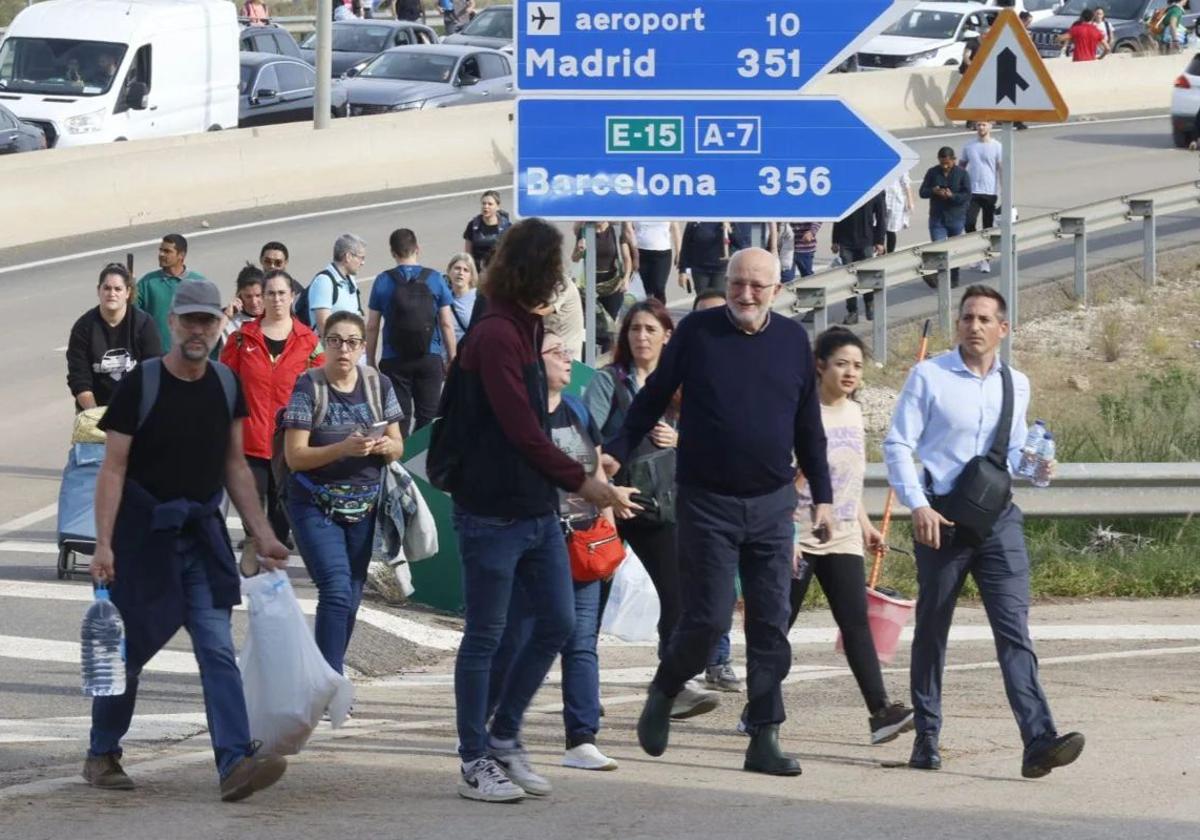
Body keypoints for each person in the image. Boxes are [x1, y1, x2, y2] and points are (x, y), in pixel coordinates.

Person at [607, 247, 834, 777]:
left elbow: (808, 427)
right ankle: (664, 690)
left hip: (773, 504)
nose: (746, 295)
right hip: (707, 502)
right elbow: (653, 395)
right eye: (738, 284)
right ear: (727, 283)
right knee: (707, 619)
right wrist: (618, 447)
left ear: (777, 290)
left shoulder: (793, 342)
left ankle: (765, 737)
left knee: (771, 624)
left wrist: (822, 494)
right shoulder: (697, 332)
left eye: (758, 286)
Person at [437, 218, 637, 803]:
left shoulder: (522, 328)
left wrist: (576, 482)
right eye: (559, 263)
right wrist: (588, 484)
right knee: (486, 637)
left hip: (533, 510)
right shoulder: (497, 333)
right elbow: (521, 430)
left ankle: (504, 737)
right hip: (492, 514)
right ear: (537, 269)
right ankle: (475, 758)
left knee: (557, 623)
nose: (565, 273)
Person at [85, 279, 290, 801]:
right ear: (173, 323)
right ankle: (103, 749)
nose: (199, 330)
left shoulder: (225, 385)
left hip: (201, 536)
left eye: (208, 320)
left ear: (221, 324)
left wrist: (262, 533)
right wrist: (103, 544)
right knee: (128, 653)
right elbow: (113, 468)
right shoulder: (142, 384)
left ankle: (234, 763)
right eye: (190, 320)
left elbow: (235, 467)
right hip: (143, 538)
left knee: (217, 649)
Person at [883, 285, 1085, 777]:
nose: (973, 326)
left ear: (1002, 328)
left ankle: (1038, 739)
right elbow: (896, 443)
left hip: (998, 522)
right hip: (942, 522)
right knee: (933, 630)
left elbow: (1013, 456)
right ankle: (927, 736)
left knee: (1014, 631)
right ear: (958, 325)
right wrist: (918, 506)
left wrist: (1037, 467)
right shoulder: (929, 376)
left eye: (983, 319)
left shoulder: (1016, 383)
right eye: (966, 317)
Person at [584, 299, 729, 704]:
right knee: (591, 602)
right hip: (609, 504)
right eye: (634, 329)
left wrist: (680, 440)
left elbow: (711, 442)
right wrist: (605, 498)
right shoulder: (607, 381)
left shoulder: (685, 385)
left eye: (650, 329)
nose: (641, 337)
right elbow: (586, 442)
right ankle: (583, 689)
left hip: (661, 505)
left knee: (678, 596)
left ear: (668, 336)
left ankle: (673, 683)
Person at [490, 330, 620, 772]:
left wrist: (608, 523)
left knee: (582, 641)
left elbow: (598, 468)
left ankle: (581, 738)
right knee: (516, 640)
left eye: (568, 350)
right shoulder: (519, 415)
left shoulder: (578, 409)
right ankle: (486, 726)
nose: (568, 358)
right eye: (556, 351)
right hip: (534, 541)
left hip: (582, 541)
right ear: (532, 361)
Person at [785, 327, 914, 744]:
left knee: (856, 623)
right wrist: (784, 533)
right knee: (776, 627)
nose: (850, 372)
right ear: (819, 365)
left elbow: (846, 479)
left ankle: (880, 712)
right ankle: (759, 709)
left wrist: (865, 525)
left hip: (842, 536)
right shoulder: (801, 413)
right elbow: (785, 479)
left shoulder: (854, 413)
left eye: (857, 365)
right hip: (799, 535)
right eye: (841, 363)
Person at [281, 311, 404, 674]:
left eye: (352, 342)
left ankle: (325, 671)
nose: (343, 350)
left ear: (363, 347)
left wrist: (383, 446)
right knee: (335, 589)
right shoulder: (309, 386)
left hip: (364, 506)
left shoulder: (378, 385)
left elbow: (399, 447)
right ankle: (329, 680)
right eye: (335, 341)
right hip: (315, 502)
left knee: (350, 595)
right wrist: (342, 449)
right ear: (324, 343)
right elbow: (295, 457)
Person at [221, 270, 323, 546]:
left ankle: (271, 567)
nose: (276, 299)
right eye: (270, 293)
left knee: (281, 521)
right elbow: (225, 387)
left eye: (281, 293)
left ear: (292, 297)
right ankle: (255, 557)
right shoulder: (242, 339)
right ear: (261, 297)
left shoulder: (309, 342)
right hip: (249, 440)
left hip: (290, 442)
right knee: (251, 514)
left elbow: (321, 391)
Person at [366, 228, 456, 435]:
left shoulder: (383, 280)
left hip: (394, 359)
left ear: (393, 252)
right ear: (418, 249)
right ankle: (422, 464)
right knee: (428, 416)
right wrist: (452, 357)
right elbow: (446, 324)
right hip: (429, 357)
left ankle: (400, 462)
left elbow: (372, 326)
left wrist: (370, 361)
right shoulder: (434, 278)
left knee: (399, 417)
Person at [67, 263, 162, 411]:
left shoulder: (143, 324)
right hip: (95, 407)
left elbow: (153, 370)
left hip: (136, 406)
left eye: (118, 289)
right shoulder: (84, 327)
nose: (112, 293)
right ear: (98, 290)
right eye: (107, 288)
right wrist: (94, 415)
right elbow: (79, 377)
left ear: (128, 292)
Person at [134, 233, 206, 350]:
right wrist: (127, 288)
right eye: (161, 250)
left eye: (167, 251)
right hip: (155, 356)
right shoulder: (147, 283)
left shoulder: (199, 283)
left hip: (188, 356)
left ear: (181, 255)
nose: (161, 254)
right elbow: (129, 312)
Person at [571, 221, 632, 352]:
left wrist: (626, 278)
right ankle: (584, 368)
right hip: (588, 287)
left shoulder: (615, 231)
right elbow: (574, 258)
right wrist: (580, 250)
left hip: (612, 287)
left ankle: (605, 366)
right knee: (585, 330)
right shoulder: (585, 230)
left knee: (608, 331)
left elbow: (627, 258)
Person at [919, 147, 972, 289]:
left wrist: (952, 196)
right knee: (938, 248)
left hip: (956, 217)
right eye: (942, 163)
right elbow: (922, 192)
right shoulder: (932, 172)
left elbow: (967, 195)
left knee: (953, 250)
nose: (945, 166)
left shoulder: (962, 173)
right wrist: (933, 191)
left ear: (953, 160)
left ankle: (954, 278)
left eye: (947, 163)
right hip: (937, 217)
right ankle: (939, 277)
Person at [831, 191, 886, 324]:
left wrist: (879, 241)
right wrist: (835, 240)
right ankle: (852, 311)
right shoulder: (845, 191)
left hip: (866, 240)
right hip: (846, 241)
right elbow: (838, 216)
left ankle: (869, 304)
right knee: (848, 279)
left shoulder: (875, 191)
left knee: (867, 276)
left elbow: (881, 218)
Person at [960, 121, 1003, 273]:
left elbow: (1000, 169)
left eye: (984, 125)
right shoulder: (969, 146)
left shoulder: (997, 146)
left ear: (990, 126)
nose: (981, 128)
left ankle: (985, 259)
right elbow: (962, 166)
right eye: (978, 125)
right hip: (973, 191)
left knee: (987, 226)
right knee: (968, 222)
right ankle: (975, 253)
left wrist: (1004, 191)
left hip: (990, 192)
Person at [307, 234, 366, 334]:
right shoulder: (324, 282)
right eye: (361, 258)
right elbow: (323, 325)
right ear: (348, 256)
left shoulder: (350, 280)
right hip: (333, 348)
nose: (363, 262)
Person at [462, 190, 512, 273]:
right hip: (478, 272)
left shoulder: (506, 226)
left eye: (490, 204)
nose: (486, 206)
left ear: (498, 206)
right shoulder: (473, 225)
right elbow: (468, 254)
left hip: (498, 271)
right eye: (483, 203)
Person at [632, 221, 680, 304]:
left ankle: (660, 313)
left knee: (659, 287)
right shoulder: (637, 208)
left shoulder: (667, 208)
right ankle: (647, 312)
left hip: (662, 253)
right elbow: (629, 230)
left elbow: (675, 229)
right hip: (640, 252)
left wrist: (678, 252)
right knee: (644, 289)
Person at [677, 222, 730, 294]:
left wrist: (730, 230)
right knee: (702, 301)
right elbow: (686, 247)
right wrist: (682, 271)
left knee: (719, 299)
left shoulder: (725, 220)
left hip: (720, 269)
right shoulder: (694, 221)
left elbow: (739, 243)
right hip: (699, 270)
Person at [220, 264, 265, 345]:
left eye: (258, 295)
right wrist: (226, 317)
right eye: (248, 296)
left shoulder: (274, 316)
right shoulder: (226, 319)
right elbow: (209, 341)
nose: (254, 302)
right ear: (239, 295)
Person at [445, 252, 478, 346]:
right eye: (457, 268)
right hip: (446, 357)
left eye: (466, 270)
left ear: (471, 276)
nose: (460, 273)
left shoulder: (478, 299)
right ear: (449, 271)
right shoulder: (442, 298)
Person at [884, 172, 914, 255]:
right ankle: (880, 252)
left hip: (895, 200)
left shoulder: (901, 164)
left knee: (891, 229)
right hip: (881, 197)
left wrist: (910, 201)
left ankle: (890, 253)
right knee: (878, 228)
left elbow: (906, 183)